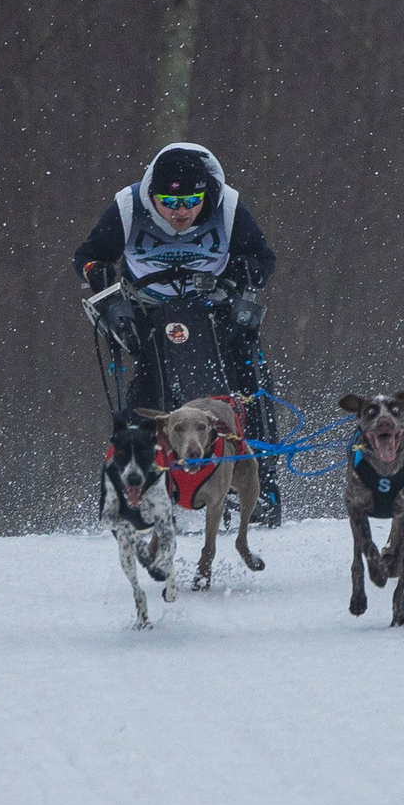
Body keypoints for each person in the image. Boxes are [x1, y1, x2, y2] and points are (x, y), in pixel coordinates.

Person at [74, 142, 283, 524]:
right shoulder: (127, 206)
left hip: (216, 311)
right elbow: (88, 256)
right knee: (145, 400)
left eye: (191, 201)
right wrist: (97, 274)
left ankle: (260, 484)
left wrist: (245, 272)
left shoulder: (229, 207)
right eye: (170, 201)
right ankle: (132, 488)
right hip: (150, 313)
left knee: (246, 389)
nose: (181, 212)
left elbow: (264, 259)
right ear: (153, 196)